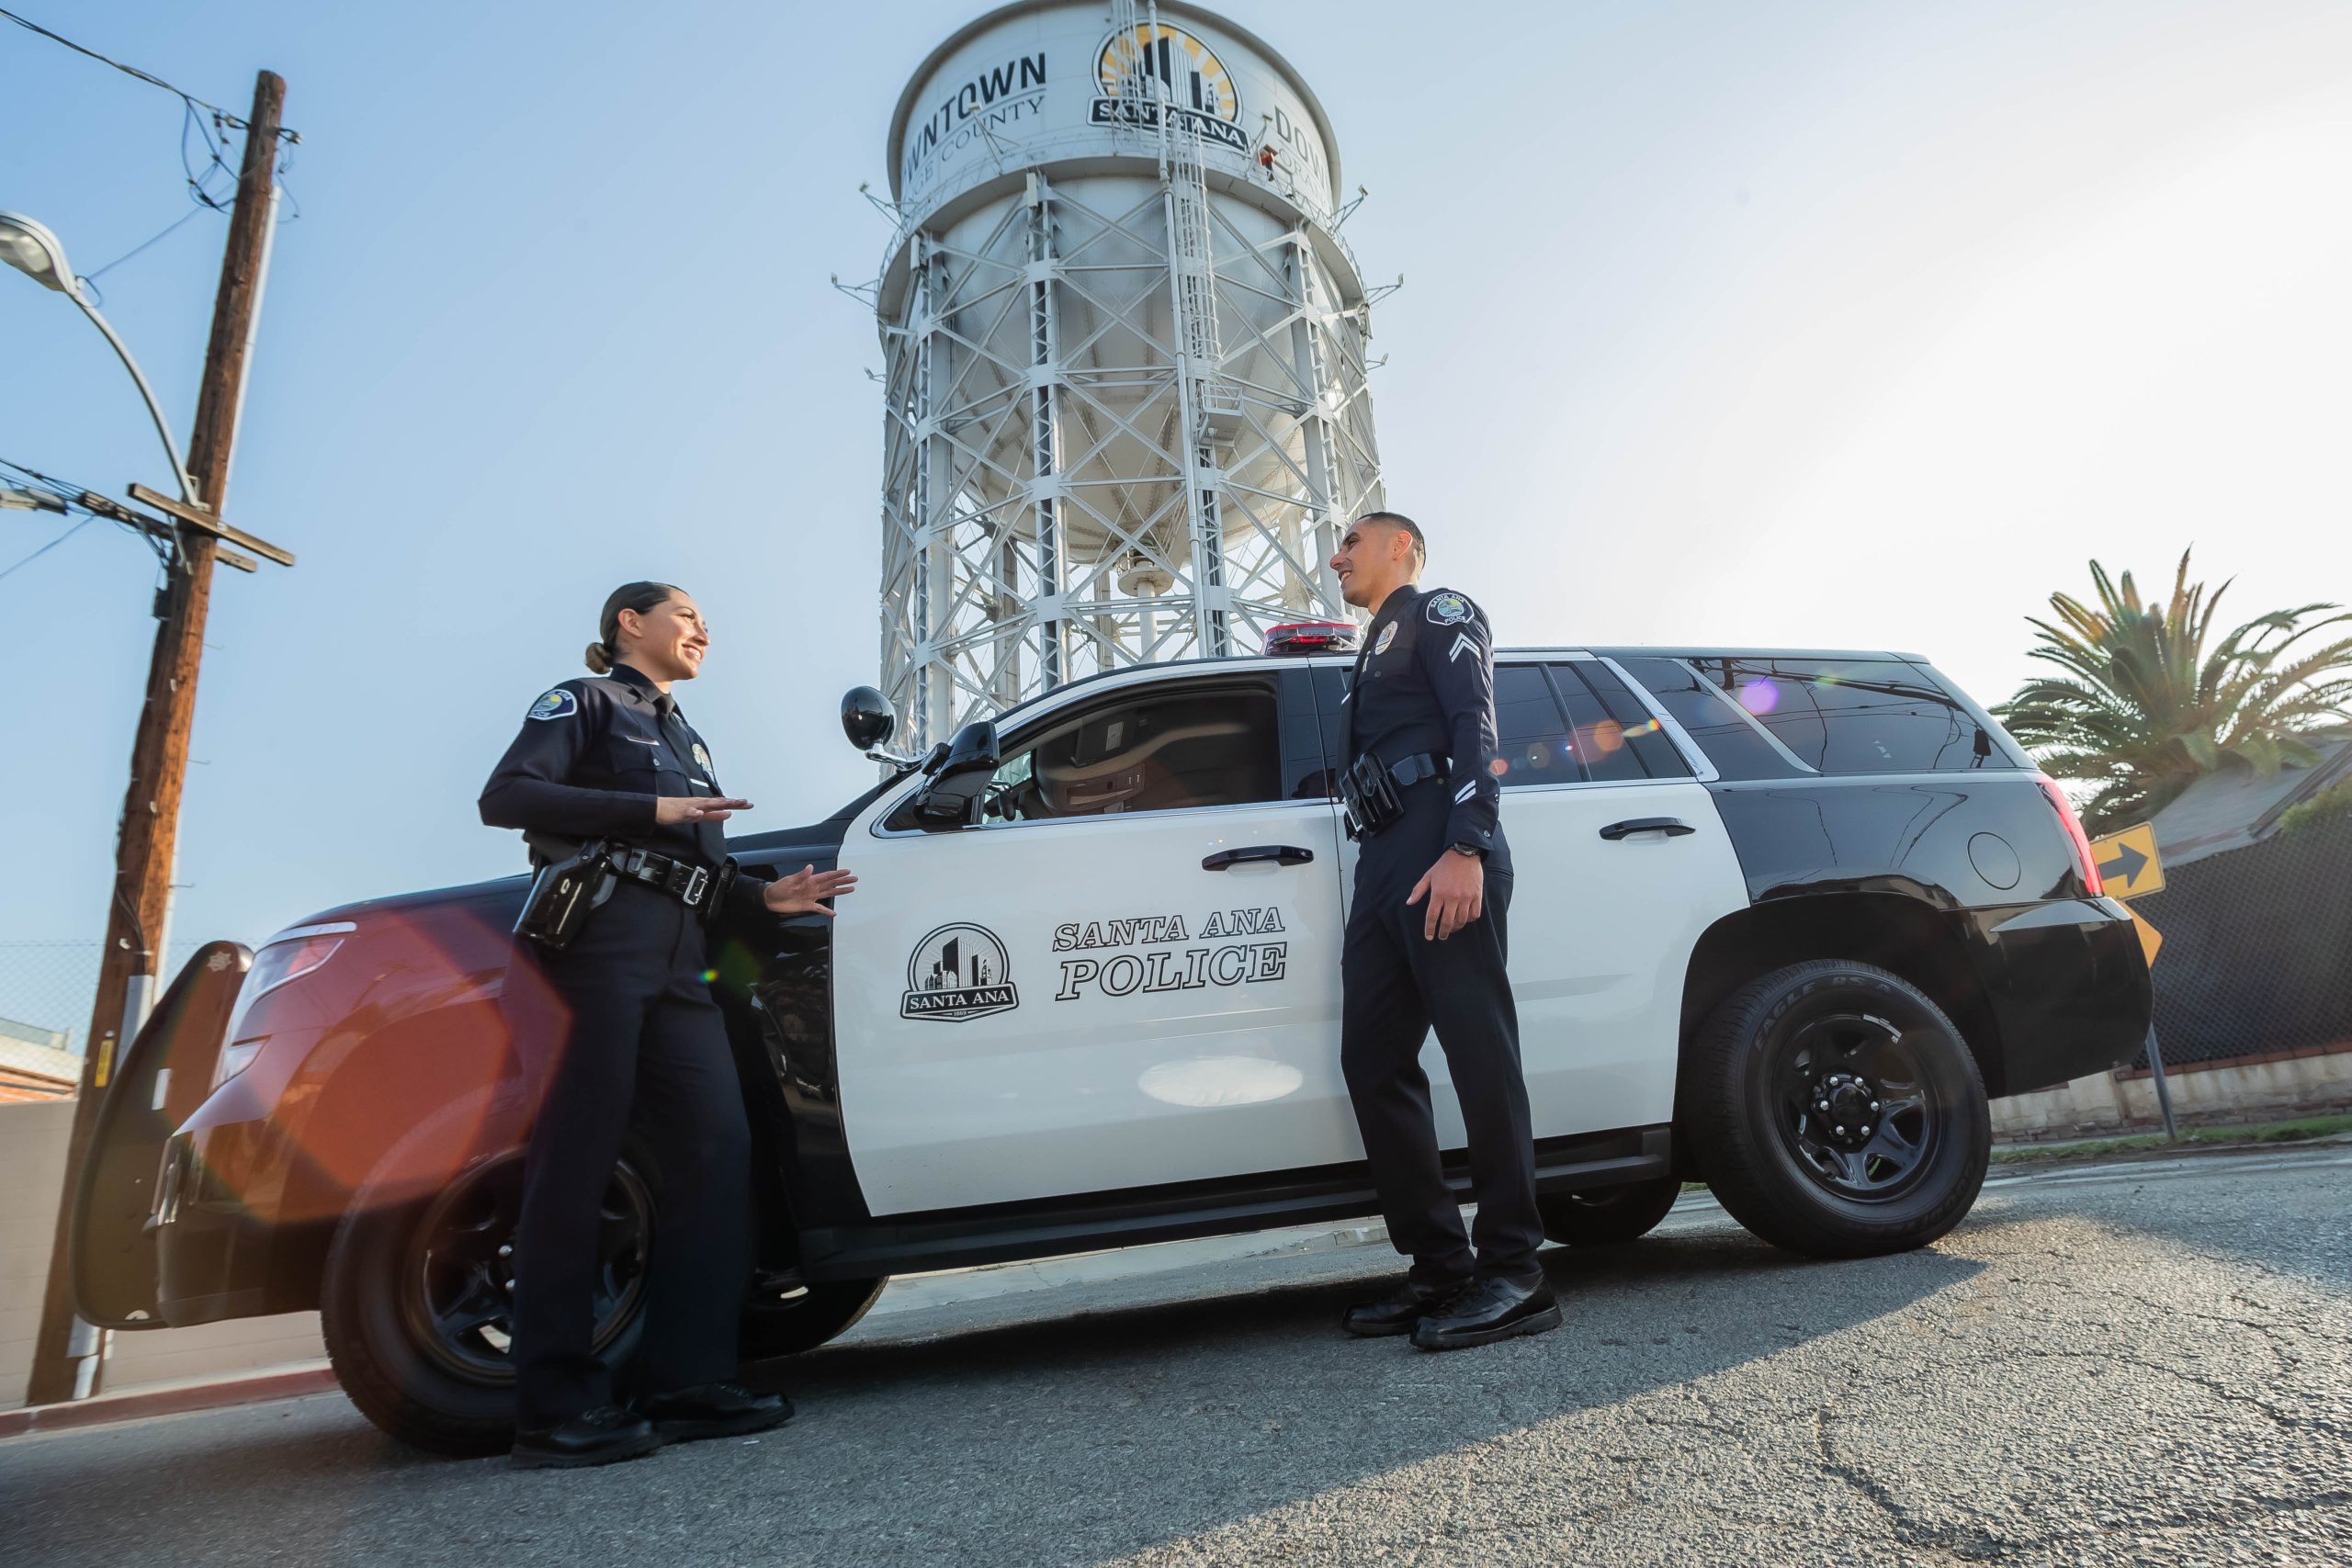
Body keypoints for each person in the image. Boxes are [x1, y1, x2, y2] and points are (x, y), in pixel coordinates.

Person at [479, 581, 855, 1469]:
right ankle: (554, 1407)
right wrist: (646, 810)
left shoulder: (688, 737)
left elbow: (693, 870)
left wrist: (766, 897)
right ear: (629, 623)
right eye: (686, 615)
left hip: (685, 963)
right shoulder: (586, 703)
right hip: (599, 951)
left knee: (717, 1153)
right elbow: (508, 795)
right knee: (577, 1162)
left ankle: (687, 1381)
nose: (703, 630)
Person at [1327, 513, 1561, 1351]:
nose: (1336, 556)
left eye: (1353, 541)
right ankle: (1440, 1264)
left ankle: (1514, 1270)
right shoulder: (1366, 651)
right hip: (1385, 860)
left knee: (1478, 1053)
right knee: (1372, 1060)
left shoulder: (1439, 612)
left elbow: (1476, 725)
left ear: (1403, 549)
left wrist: (1468, 843)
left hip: (1443, 847)